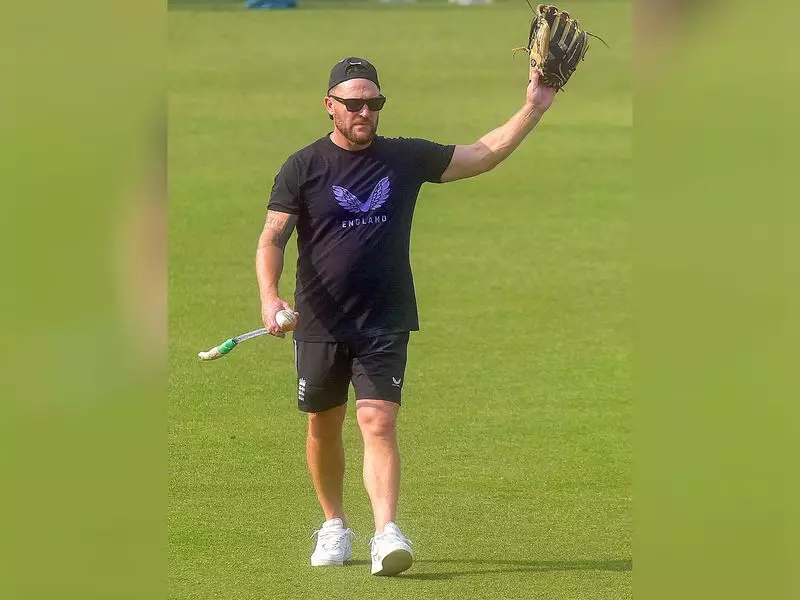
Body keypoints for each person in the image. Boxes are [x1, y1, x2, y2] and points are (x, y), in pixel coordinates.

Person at [256, 56, 555, 576]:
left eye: (374, 102)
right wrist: (269, 296)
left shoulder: (403, 157)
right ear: (330, 106)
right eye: (354, 104)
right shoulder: (303, 167)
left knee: (378, 419)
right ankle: (334, 524)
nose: (365, 112)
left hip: (385, 316)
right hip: (319, 319)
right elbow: (272, 237)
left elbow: (482, 155)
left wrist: (533, 107)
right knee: (323, 424)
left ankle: (385, 531)